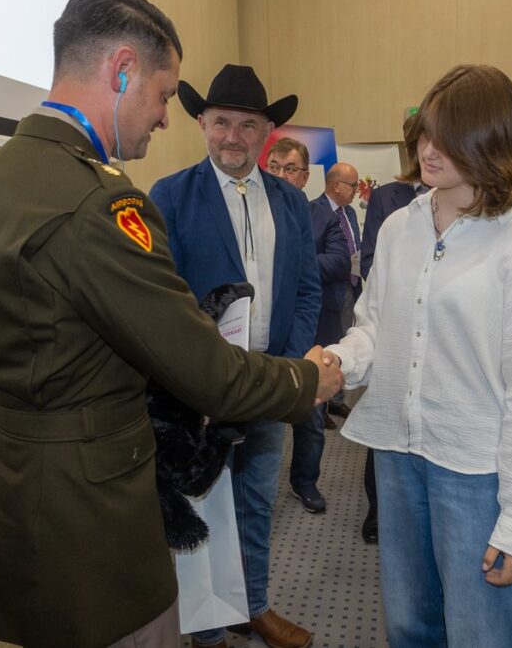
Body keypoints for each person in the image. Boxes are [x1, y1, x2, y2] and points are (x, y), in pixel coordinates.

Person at [0, 0, 340, 648]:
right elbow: (200, 367)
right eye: (164, 93)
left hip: (11, 497)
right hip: (96, 513)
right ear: (122, 70)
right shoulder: (100, 206)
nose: (166, 118)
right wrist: (304, 381)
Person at [327, 64, 512, 648]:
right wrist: (338, 361)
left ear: (488, 140)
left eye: (447, 137)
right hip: (397, 453)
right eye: (425, 133)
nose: (427, 149)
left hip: (477, 469)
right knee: (410, 623)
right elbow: (376, 328)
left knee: (485, 632)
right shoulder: (398, 227)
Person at [150, 65, 319, 648]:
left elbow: (307, 292)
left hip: (269, 383)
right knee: (206, 510)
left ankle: (255, 605)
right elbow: (159, 301)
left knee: (256, 502)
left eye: (247, 125)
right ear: (201, 122)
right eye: (221, 121)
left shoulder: (292, 205)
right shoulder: (169, 196)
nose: (232, 136)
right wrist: (195, 376)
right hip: (200, 393)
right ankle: (206, 629)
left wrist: (288, 367)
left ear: (266, 131)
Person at [356, 113, 431, 545]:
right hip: (391, 331)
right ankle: (377, 510)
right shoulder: (388, 198)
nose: (428, 151)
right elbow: (370, 261)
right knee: (384, 425)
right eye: (420, 142)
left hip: (439, 339)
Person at [267, 139, 349, 513]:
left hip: (309, 333)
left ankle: (305, 482)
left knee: (311, 418)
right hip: (261, 338)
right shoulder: (253, 207)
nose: (281, 175)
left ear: (303, 176)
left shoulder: (322, 216)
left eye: (289, 168)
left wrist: (293, 263)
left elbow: (338, 262)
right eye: (274, 167)